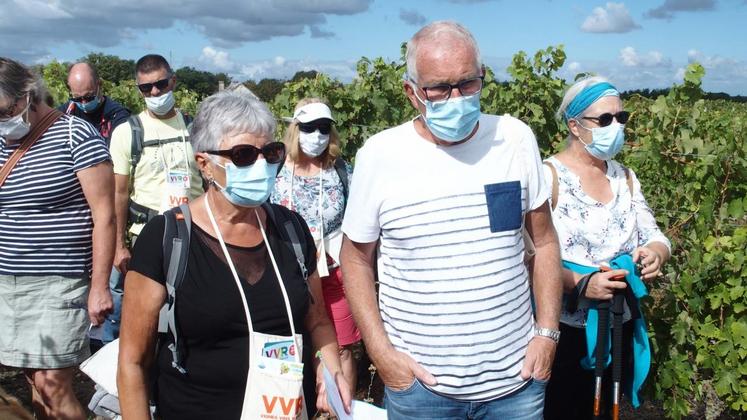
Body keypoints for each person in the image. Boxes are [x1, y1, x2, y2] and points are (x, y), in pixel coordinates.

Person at [339, 21, 563, 419]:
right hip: (421, 390)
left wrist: (546, 335)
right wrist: (382, 354)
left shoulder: (514, 139)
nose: (456, 97)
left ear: (483, 77)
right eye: (439, 88)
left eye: (467, 83)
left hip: (516, 385)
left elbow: (544, 242)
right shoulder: (379, 156)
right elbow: (355, 259)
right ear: (412, 92)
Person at [117, 90, 351, 420]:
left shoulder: (291, 231)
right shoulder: (166, 239)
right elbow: (132, 361)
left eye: (270, 152)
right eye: (243, 155)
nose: (261, 165)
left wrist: (331, 370)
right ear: (205, 164)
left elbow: (318, 322)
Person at [542, 77, 671, 420]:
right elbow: (528, 256)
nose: (615, 126)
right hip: (567, 328)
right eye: (604, 120)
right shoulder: (547, 177)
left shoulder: (625, 177)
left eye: (620, 118)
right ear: (574, 125)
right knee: (564, 409)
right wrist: (580, 283)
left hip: (619, 321)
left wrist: (657, 252)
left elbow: (655, 234)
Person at [0, 57, 115, 419]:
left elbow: (105, 216)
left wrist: (99, 286)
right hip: (8, 282)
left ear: (27, 94)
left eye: (5, 110)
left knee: (53, 384)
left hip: (59, 281)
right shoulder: (2, 141)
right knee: (36, 381)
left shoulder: (75, 135)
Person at [107, 54, 203, 346]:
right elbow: (119, 192)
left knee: (194, 310)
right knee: (144, 316)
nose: (155, 93)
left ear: (172, 81)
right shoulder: (127, 133)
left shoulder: (196, 128)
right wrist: (119, 246)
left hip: (195, 232)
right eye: (146, 88)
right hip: (147, 236)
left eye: (160, 84)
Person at [271, 98, 361, 395]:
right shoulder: (275, 168)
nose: (318, 135)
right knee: (287, 346)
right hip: (286, 273)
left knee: (343, 345)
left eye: (324, 128)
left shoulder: (341, 171)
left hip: (335, 273)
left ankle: (340, 408)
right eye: (310, 128)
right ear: (295, 129)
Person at [58, 62, 130, 144]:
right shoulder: (63, 115)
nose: (83, 102)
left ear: (99, 85)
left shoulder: (117, 116)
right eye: (77, 98)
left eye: (89, 97)